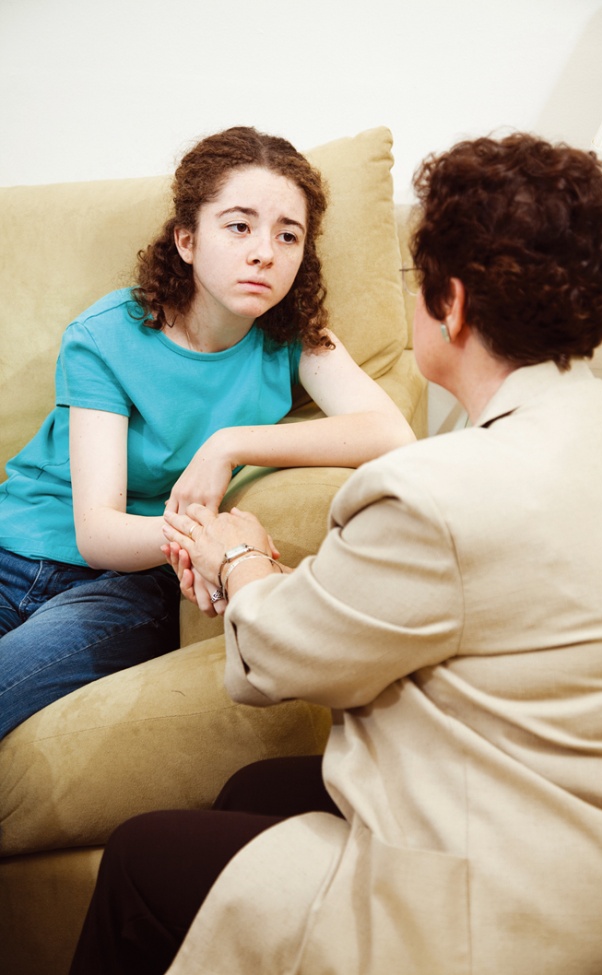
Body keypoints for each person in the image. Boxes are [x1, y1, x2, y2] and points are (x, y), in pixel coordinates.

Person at [69, 133, 602, 975]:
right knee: (255, 792)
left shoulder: (434, 492)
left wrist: (237, 557)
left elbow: (281, 657)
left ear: (450, 304)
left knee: (138, 853)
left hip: (508, 903)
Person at [0, 126, 415, 740]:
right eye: (239, 226)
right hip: (16, 551)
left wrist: (230, 443)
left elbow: (391, 434)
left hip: (131, 583)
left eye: (288, 235)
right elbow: (98, 531)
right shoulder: (104, 336)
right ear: (187, 240)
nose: (264, 253)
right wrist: (209, 542)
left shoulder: (295, 336)